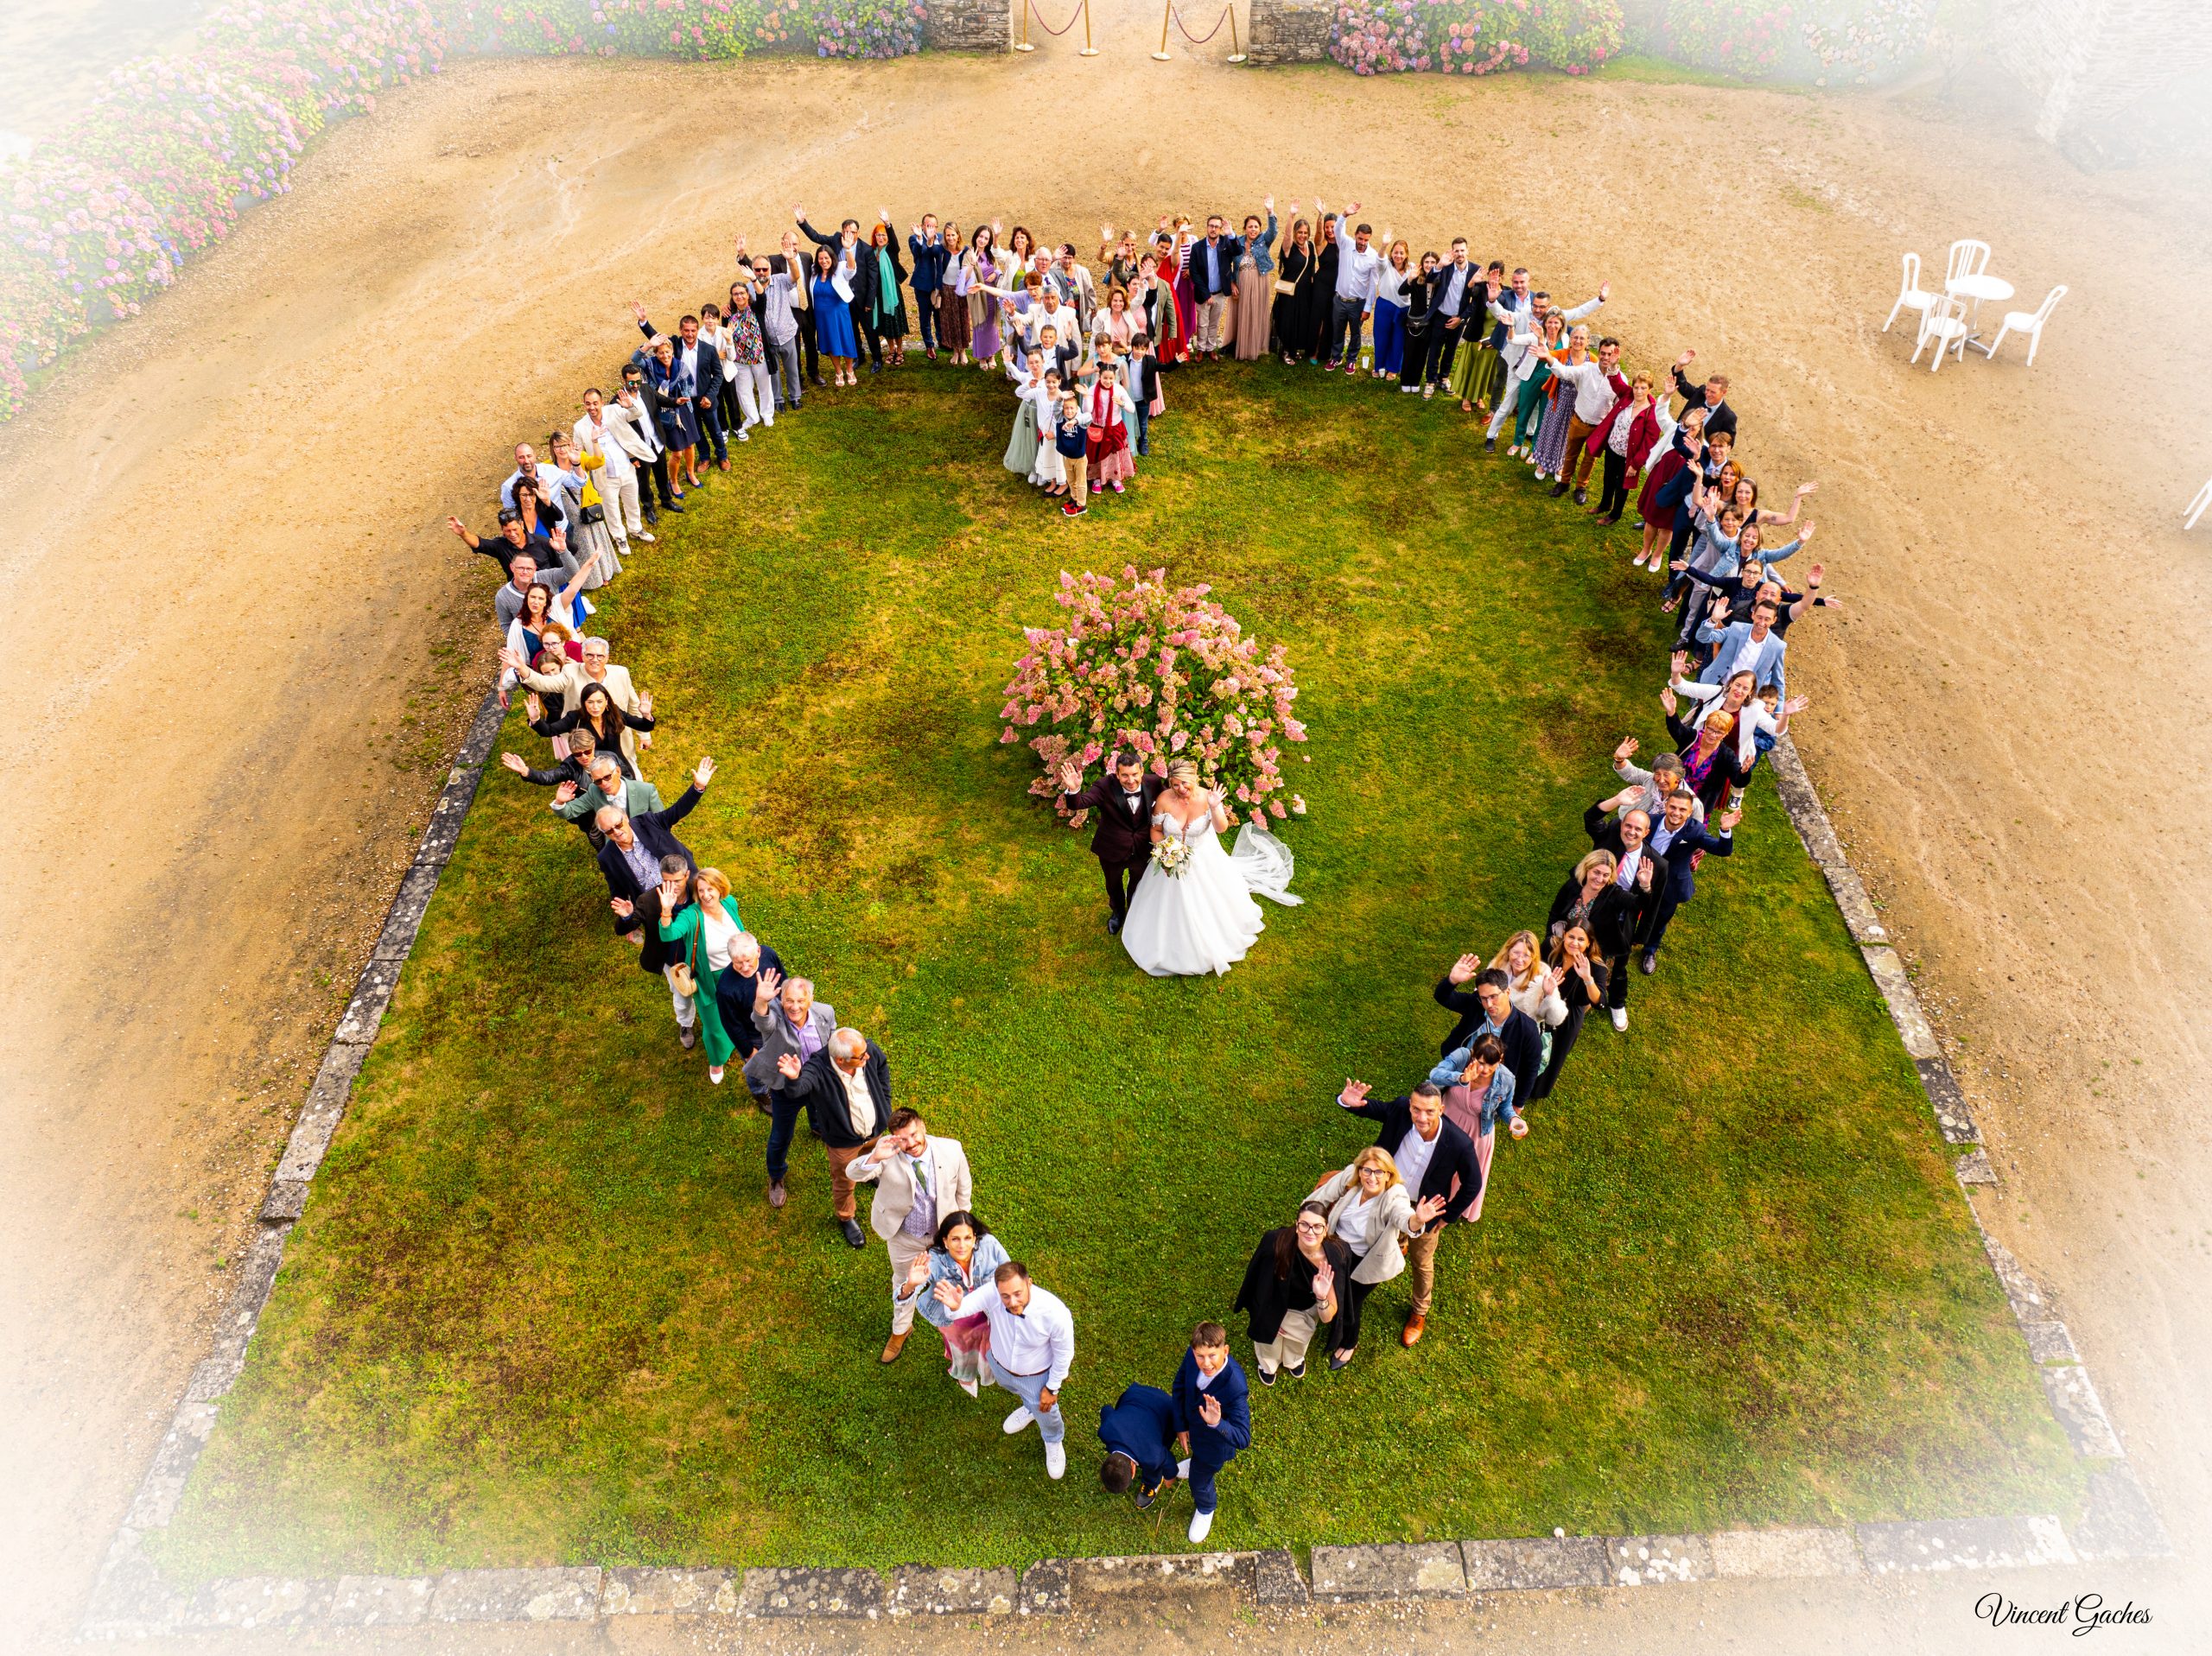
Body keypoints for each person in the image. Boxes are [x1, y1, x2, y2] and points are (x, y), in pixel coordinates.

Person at [1332, 1080, 1480, 1348]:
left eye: (1429, 1111)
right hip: (1385, 1198)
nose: (1421, 1118)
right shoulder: (1401, 1110)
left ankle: (1418, 1313)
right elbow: (1370, 1107)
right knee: (1372, 1242)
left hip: (1423, 1211)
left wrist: (1447, 1217)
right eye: (1416, 1110)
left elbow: (1473, 1185)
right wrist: (1348, 1101)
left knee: (1422, 1262)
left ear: (1441, 1109)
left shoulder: (1459, 1143)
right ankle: (1390, 1252)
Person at [1119, 761, 1270, 978]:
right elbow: (1156, 829)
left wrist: (1216, 806)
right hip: (1170, 859)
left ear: (1195, 777)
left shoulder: (1208, 798)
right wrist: (1164, 852)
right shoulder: (1164, 799)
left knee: (1211, 902)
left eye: (1184, 783)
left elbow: (1221, 828)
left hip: (1204, 859)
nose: (1180, 788)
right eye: (1175, 784)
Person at [849, 1107, 974, 1363]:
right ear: (895, 1138)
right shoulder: (888, 1156)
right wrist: (874, 1156)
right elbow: (852, 1173)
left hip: (945, 1237)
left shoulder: (951, 1149)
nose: (911, 1143)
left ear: (923, 1126)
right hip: (905, 1237)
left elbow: (963, 1191)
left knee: (954, 1283)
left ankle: (958, 1337)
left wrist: (960, 1228)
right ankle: (901, 1330)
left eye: (915, 1135)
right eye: (903, 1139)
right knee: (905, 1283)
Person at [1309, 1147, 1445, 1368]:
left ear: (1389, 1175)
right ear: (1360, 1169)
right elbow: (1321, 1199)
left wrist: (1418, 1220)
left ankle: (1349, 1342)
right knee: (1332, 1289)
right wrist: (1306, 1220)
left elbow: (1404, 1217)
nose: (1372, 1177)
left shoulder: (1394, 1196)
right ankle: (1328, 1314)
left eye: (1379, 1172)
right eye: (1367, 1170)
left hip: (1368, 1259)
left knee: (1351, 1302)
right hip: (1337, 1248)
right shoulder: (1351, 1177)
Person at [943, 1261, 1074, 1481]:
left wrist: (1052, 1388)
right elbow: (962, 1309)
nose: (1012, 1302)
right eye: (1005, 1296)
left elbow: (1064, 1353)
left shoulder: (1055, 1313)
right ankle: (1029, 1409)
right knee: (1024, 1397)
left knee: (1046, 1410)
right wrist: (956, 1306)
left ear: (1029, 1283)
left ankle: (1053, 1439)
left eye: (1018, 1293)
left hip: (1036, 1376)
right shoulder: (993, 1293)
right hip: (1000, 1365)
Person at [775, 1025, 893, 1247]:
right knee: (845, 1180)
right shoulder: (818, 1069)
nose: (867, 1056)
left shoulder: (868, 1052)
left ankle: (868, 1172)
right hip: (844, 1143)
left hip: (875, 1132)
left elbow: (881, 1066)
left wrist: (884, 1102)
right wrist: (793, 1079)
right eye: (861, 1057)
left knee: (872, 1155)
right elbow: (798, 1090)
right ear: (841, 1060)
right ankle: (846, 1216)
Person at [744, 968, 836, 1208]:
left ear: (811, 1000)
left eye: (800, 1001)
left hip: (817, 1082)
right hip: (786, 1088)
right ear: (781, 1001)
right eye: (788, 1001)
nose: (794, 1007)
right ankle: (776, 1176)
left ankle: (817, 1127)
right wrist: (761, 1001)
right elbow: (763, 1020)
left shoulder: (825, 1013)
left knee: (822, 1114)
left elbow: (832, 1039)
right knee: (780, 1137)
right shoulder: (775, 1015)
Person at [1231, 1201, 1346, 1385]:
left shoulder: (1336, 1256)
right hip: (1273, 1303)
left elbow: (1327, 1317)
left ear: (1326, 1230)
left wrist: (1321, 1296)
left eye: (1318, 1227)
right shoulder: (1274, 1243)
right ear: (1296, 1226)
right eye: (1305, 1225)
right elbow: (1260, 1283)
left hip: (1307, 1308)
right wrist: (1269, 1317)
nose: (1311, 1232)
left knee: (1298, 1341)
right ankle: (1268, 1365)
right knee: (1269, 1341)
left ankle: (1294, 1360)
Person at [654, 866, 746, 1085]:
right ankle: (716, 1061)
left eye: (710, 889)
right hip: (710, 980)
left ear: (720, 888)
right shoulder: (691, 915)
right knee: (714, 1025)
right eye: (701, 890)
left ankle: (736, 1041)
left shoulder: (729, 903)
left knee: (738, 1014)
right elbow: (669, 934)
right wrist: (666, 911)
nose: (706, 895)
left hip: (737, 972)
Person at [903, 1209, 1008, 1397]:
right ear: (945, 1241)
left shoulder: (990, 1245)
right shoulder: (934, 1260)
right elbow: (907, 1293)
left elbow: (1008, 1273)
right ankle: (965, 1376)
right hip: (954, 1321)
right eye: (955, 1239)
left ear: (975, 1238)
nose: (962, 1245)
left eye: (967, 1238)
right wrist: (910, 1284)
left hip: (987, 1315)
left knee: (988, 1346)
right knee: (963, 1350)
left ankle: (987, 1372)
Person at [1059, 751, 1166, 934]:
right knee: (1113, 883)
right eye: (1124, 775)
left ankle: (1134, 910)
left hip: (1142, 848)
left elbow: (1171, 801)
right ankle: (1118, 912)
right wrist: (1074, 790)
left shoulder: (1154, 782)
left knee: (1138, 882)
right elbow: (1079, 803)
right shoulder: (1104, 786)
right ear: (1117, 774)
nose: (1130, 780)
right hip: (1112, 848)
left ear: (1142, 771)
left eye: (1134, 774)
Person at [1427, 1032, 1529, 1218]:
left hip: (1476, 1132)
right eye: (1480, 1062)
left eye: (1491, 1064)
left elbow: (1505, 1108)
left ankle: (1452, 1206)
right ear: (1473, 1053)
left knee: (1463, 1173)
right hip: (1448, 1119)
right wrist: (1461, 1079)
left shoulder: (1506, 1079)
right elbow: (1435, 1075)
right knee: (1436, 1162)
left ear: (1501, 1059)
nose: (1485, 1069)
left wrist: (1514, 1119)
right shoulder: (1462, 1057)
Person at [1169, 1323, 1250, 1543]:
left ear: (1225, 1351)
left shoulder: (1235, 1387)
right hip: (1192, 1429)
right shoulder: (1191, 1354)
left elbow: (1244, 1438)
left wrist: (1217, 1423)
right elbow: (1179, 1386)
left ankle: (1206, 1508)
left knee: (1199, 1481)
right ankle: (1193, 1464)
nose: (1206, 1364)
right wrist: (1180, 1425)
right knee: (1197, 1465)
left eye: (1212, 1355)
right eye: (1200, 1356)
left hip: (1213, 1447)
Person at [592, 757, 711, 904]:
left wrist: (697, 788)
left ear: (626, 818)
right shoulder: (606, 857)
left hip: (685, 885)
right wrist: (628, 919)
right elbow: (617, 892)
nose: (616, 832)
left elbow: (677, 810)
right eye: (609, 831)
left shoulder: (648, 822)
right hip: (655, 906)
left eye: (618, 825)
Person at [1430, 960, 1543, 1110]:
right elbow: (1442, 997)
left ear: (1507, 992)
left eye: (1493, 997)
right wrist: (1452, 980)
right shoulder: (1475, 1005)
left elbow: (1531, 1067)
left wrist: (1518, 1103)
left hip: (1491, 1082)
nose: (1489, 1004)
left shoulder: (1527, 1028)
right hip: (1460, 1068)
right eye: (1484, 998)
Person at [1531, 923, 1608, 1100]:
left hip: (1569, 1014)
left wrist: (1587, 978)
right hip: (1541, 1000)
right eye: (1571, 937)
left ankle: (1537, 1090)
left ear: (1589, 943)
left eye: (1581, 939)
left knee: (1554, 1054)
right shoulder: (1550, 947)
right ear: (1564, 935)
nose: (1575, 943)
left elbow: (1600, 1003)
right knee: (1531, 1043)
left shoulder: (1596, 967)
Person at [1319, 201, 1381, 371]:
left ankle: (1351, 359)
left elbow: (1372, 284)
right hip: (1339, 300)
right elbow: (1338, 230)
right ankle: (1336, 357)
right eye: (1360, 238)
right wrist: (1345, 214)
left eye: (1366, 240)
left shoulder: (1373, 257)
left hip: (1357, 303)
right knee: (1337, 330)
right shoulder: (1345, 244)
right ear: (1355, 235)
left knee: (1356, 334)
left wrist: (1368, 307)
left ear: (1369, 239)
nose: (1362, 242)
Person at [1230, 202, 1277, 362]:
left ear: (1260, 229)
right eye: (1250, 227)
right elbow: (1226, 265)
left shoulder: (1264, 240)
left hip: (1259, 281)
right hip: (1241, 282)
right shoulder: (1237, 242)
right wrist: (1232, 282)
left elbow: (1273, 231)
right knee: (1244, 314)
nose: (1253, 230)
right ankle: (1241, 346)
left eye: (1256, 227)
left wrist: (1270, 212)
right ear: (1245, 228)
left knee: (1256, 312)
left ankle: (1254, 347)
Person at [809, 245, 860, 386]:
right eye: (821, 258)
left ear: (832, 258)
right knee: (830, 343)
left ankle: (850, 370)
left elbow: (851, 270)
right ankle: (838, 371)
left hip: (839, 313)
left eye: (826, 258)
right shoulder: (814, 272)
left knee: (845, 340)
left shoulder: (840, 268)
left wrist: (848, 250)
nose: (824, 261)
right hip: (821, 316)